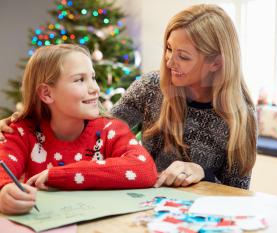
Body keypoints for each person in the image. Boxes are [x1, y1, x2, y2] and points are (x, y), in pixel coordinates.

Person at [0, 4, 256, 190]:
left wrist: (202, 173)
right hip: (139, 206)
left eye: (183, 56)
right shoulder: (151, 86)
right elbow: (98, 129)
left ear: (216, 63)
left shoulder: (241, 114)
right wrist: (27, 122)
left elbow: (237, 193)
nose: (169, 61)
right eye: (168, 49)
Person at [0, 44, 157, 215]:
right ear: (46, 93)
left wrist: (60, 175)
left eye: (93, 77)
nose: (95, 88)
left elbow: (145, 169)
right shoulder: (20, 131)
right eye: (80, 80)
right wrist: (4, 192)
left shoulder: (110, 129)